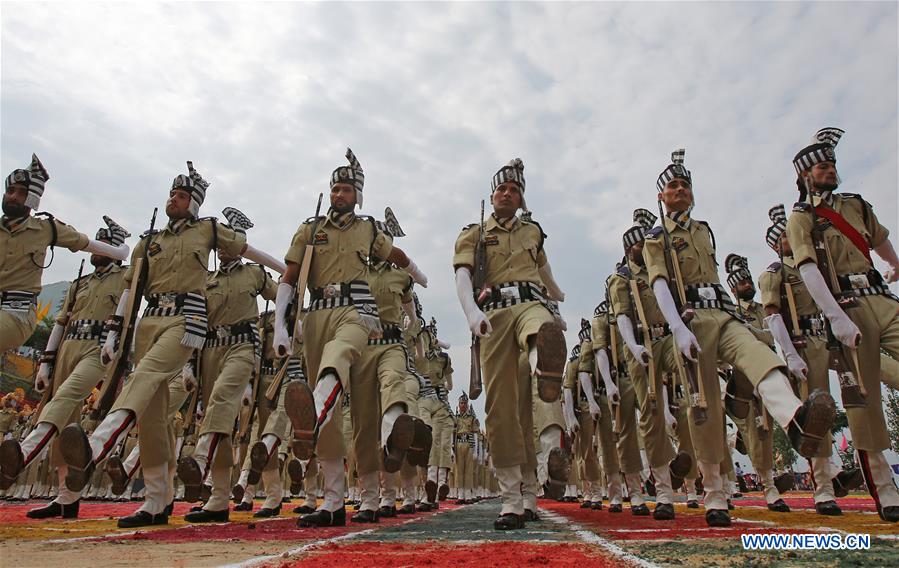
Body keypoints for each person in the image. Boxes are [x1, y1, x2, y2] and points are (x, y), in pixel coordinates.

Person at [643, 149, 835, 527]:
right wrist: (677, 328)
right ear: (661, 197)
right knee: (705, 410)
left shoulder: (703, 229)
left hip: (724, 313)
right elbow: (661, 284)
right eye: (672, 186)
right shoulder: (657, 237)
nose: (679, 189)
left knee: (757, 352)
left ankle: (796, 419)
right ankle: (714, 491)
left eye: (685, 185)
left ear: (692, 194)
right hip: (692, 319)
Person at [274, 148, 427, 528]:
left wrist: (421, 278)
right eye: (335, 188)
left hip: (356, 313)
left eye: (346, 189)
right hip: (316, 313)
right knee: (336, 424)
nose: (338, 194)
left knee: (348, 385)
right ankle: (333, 500)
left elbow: (398, 255)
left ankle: (371, 492)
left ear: (357, 195)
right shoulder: (309, 229)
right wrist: (280, 325)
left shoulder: (369, 229)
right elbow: (290, 278)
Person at [786, 127, 899, 523]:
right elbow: (809, 270)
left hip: (882, 297)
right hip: (849, 308)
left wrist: (895, 264)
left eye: (831, 163)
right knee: (864, 404)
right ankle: (886, 491)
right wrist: (835, 316)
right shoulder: (801, 217)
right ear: (805, 176)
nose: (830, 168)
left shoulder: (855, 204)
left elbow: (879, 238)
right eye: (821, 165)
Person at [453, 158, 566, 530]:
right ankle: (516, 497)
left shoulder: (533, 231)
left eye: (514, 189)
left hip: (530, 304)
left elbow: (544, 270)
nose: (507, 193)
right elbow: (463, 276)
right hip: (494, 316)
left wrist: (557, 297)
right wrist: (471, 313)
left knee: (539, 326)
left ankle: (541, 360)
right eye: (502, 188)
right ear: (492, 194)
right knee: (505, 412)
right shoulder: (474, 233)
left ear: (521, 199)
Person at [1, 154, 129, 352]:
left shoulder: (46, 229)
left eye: (21, 193)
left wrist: (119, 252)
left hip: (16, 311)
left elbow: (85, 242)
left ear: (32, 198)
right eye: (10, 191)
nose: (13, 196)